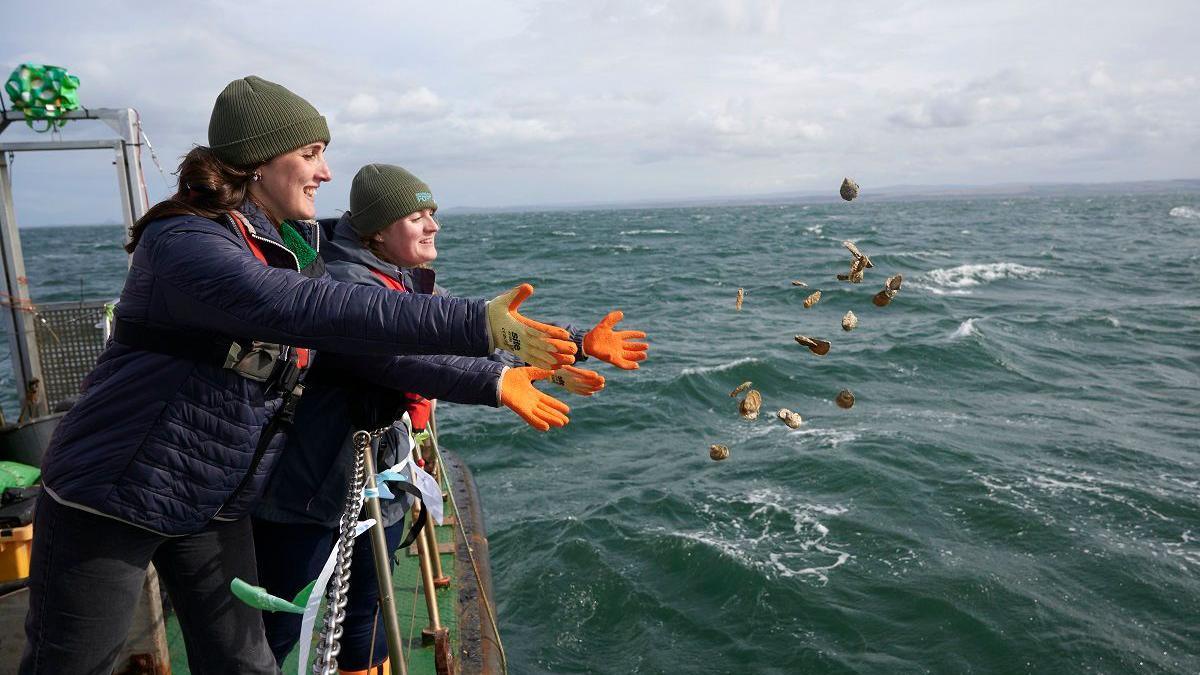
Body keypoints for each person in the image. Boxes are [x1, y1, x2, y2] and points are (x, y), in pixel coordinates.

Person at [19, 77, 579, 675]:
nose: (327, 172)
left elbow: (373, 342)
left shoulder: (283, 247)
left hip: (214, 493)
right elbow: (317, 310)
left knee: (247, 663)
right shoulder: (186, 242)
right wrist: (480, 323)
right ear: (259, 163)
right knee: (73, 663)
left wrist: (516, 361)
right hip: (117, 490)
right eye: (310, 155)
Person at [252, 164, 650, 674]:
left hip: (378, 481)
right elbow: (402, 357)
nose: (432, 225)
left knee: (366, 614)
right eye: (416, 216)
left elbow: (475, 334)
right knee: (275, 626)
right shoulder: (341, 284)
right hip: (308, 493)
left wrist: (576, 343)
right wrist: (496, 384)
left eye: (432, 214)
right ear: (377, 229)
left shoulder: (400, 278)